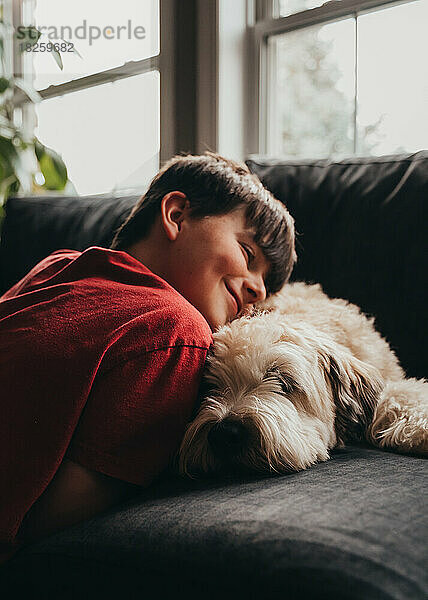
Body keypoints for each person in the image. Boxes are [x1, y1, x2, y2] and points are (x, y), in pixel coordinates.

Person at [0, 152, 296, 563]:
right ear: (175, 214)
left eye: (267, 283)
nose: (259, 292)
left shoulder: (58, 264)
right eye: (248, 255)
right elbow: (47, 518)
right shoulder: (178, 332)